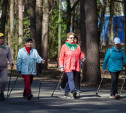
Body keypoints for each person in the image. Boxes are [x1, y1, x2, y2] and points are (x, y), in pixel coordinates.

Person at [59, 32, 85, 99]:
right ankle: (73, 91)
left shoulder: (77, 46)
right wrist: (61, 66)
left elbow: (81, 54)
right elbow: (61, 57)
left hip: (76, 65)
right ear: (67, 38)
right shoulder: (64, 46)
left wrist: (83, 57)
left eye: (73, 38)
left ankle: (66, 91)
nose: (72, 39)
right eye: (70, 38)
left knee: (70, 79)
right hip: (67, 65)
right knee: (71, 78)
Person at [0, 33, 14, 101]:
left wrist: (11, 63)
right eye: (0, 38)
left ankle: (1, 93)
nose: (2, 39)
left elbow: (10, 56)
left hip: (4, 67)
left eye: (3, 38)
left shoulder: (7, 47)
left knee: (4, 80)